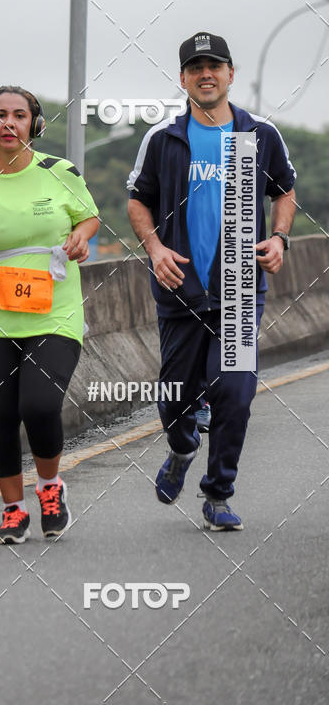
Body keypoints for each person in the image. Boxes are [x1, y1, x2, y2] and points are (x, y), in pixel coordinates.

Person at [127, 32, 296, 531]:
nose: (206, 74)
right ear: (183, 78)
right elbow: (138, 199)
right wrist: (155, 248)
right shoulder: (164, 138)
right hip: (180, 288)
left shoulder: (257, 133)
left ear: (230, 74)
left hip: (240, 288)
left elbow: (285, 191)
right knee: (175, 397)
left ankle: (218, 493)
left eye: (214, 66)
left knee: (235, 395)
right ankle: (182, 448)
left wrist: (279, 238)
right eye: (196, 67)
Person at [0, 86, 99, 544]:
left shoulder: (59, 172)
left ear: (35, 124)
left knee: (39, 405)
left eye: (19, 115)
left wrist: (81, 237)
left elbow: (89, 217)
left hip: (55, 312)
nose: (8, 123)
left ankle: (50, 487)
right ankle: (13, 509)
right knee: (0, 415)